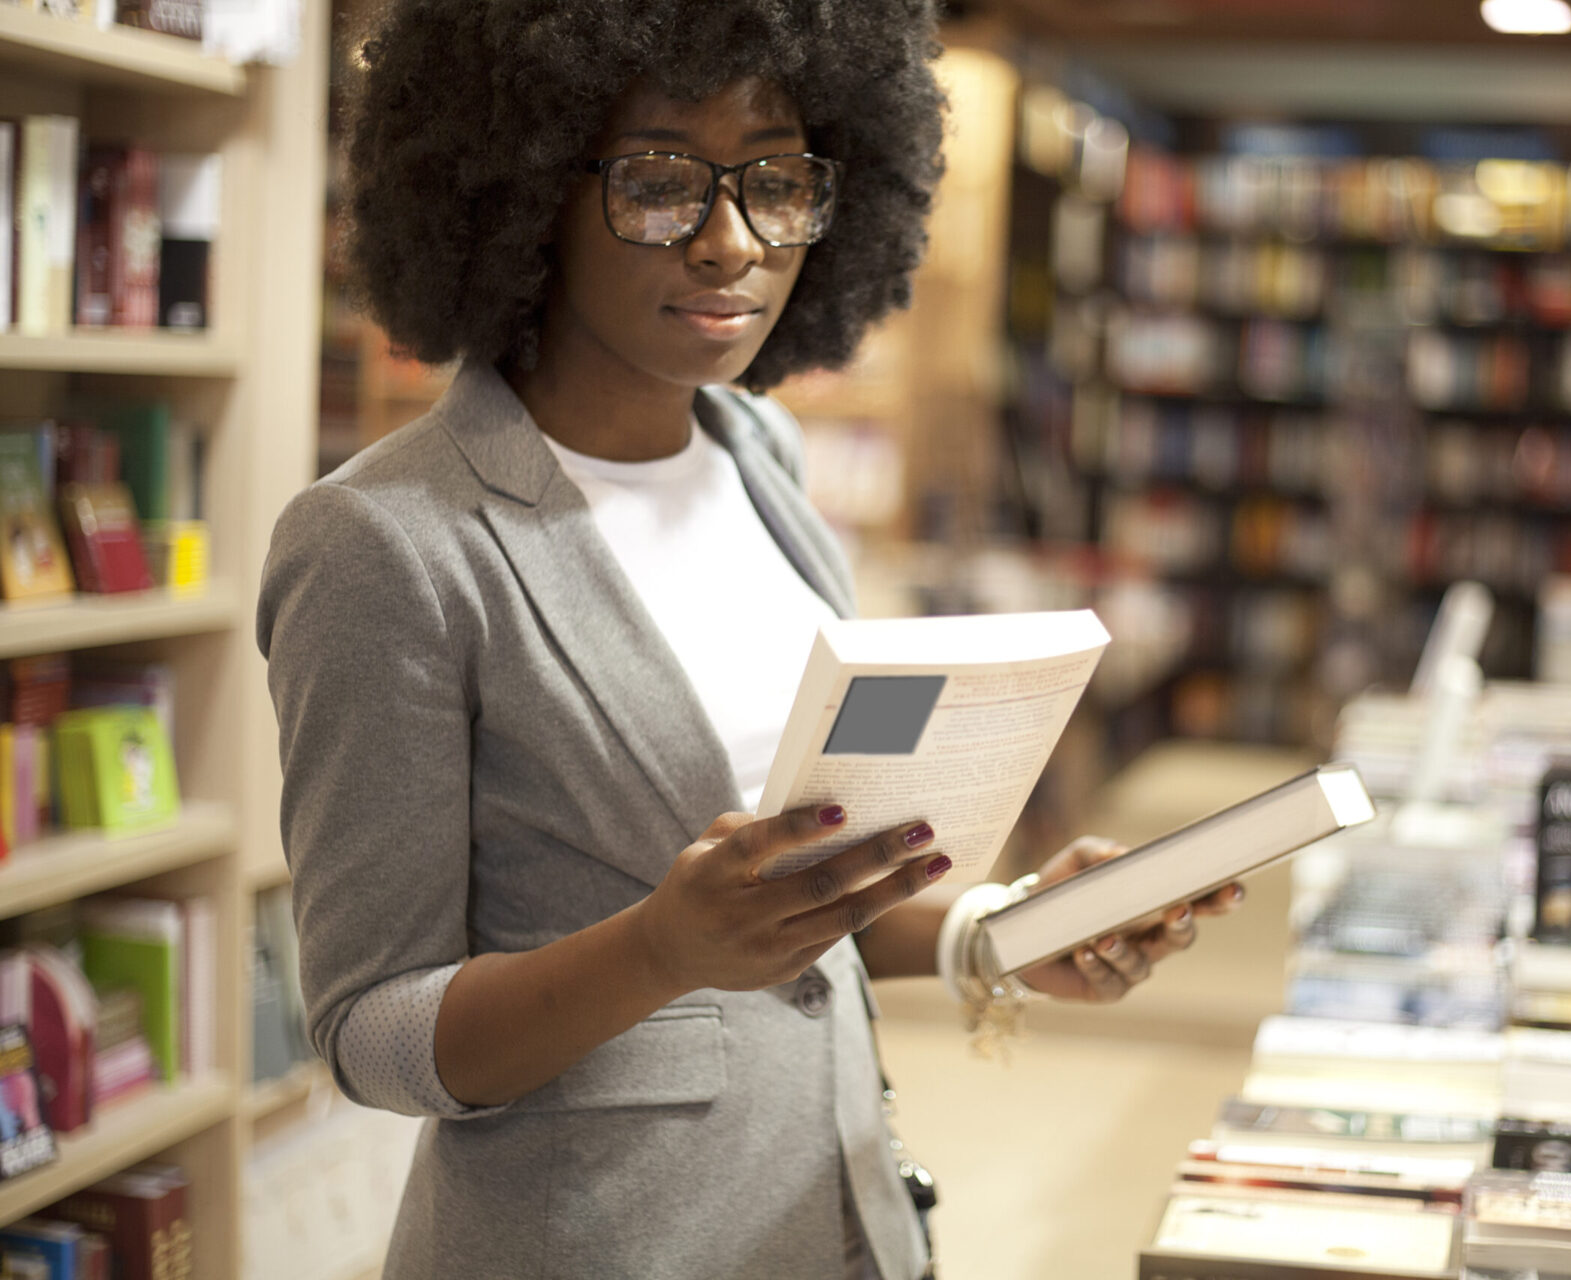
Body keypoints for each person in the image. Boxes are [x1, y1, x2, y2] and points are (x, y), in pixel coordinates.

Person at [257, 3, 1243, 1277]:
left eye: (774, 183)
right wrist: (656, 949)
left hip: (844, 1215)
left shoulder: (759, 456)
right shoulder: (384, 541)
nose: (730, 242)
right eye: (659, 182)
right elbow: (369, 1033)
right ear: (522, 190)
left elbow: (792, 899)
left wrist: (994, 931)